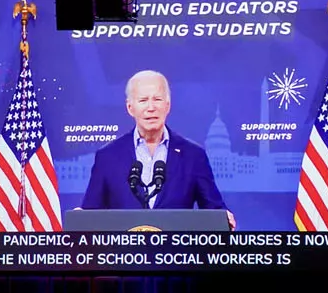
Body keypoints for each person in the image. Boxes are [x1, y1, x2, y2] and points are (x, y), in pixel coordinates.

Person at [77, 70, 235, 229]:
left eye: (157, 99)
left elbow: (214, 210)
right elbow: (91, 215)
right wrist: (81, 219)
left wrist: (223, 218)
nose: (151, 107)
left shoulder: (193, 156)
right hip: (123, 252)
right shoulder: (108, 157)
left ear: (167, 105)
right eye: (143, 100)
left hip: (177, 252)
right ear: (130, 108)